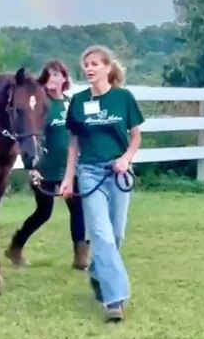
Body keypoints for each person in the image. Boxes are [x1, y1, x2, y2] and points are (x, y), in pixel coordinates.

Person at [61, 45, 143, 322]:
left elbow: (136, 137)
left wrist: (126, 158)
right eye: (86, 64)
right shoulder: (78, 101)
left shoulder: (123, 98)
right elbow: (73, 144)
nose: (89, 68)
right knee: (101, 234)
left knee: (117, 234)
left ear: (108, 68)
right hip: (90, 173)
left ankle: (98, 272)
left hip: (118, 172)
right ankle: (114, 300)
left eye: (95, 63)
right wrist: (67, 178)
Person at [5, 60, 88, 270]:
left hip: (70, 167)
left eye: (57, 74)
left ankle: (80, 257)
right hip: (45, 168)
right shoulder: (41, 106)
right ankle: (15, 246)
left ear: (64, 79)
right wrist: (31, 167)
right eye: (49, 75)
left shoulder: (71, 103)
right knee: (44, 212)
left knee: (77, 208)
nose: (53, 79)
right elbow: (30, 138)